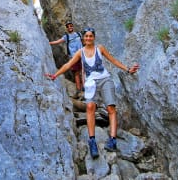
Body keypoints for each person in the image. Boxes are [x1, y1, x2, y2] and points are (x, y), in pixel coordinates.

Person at [46, 27, 139, 159]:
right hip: (90, 82)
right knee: (90, 107)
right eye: (86, 36)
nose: (88, 38)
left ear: (93, 37)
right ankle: (92, 141)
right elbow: (68, 65)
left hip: (105, 79)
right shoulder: (80, 52)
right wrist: (55, 75)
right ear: (83, 39)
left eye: (91, 36)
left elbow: (113, 60)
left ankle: (112, 139)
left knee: (111, 108)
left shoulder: (100, 48)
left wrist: (128, 69)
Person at [49, 21, 83, 98]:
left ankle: (85, 89)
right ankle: (79, 90)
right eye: (68, 26)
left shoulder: (79, 34)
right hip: (74, 57)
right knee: (77, 73)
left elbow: (84, 42)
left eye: (71, 26)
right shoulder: (66, 37)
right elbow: (57, 42)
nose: (70, 27)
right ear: (67, 28)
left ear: (73, 27)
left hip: (82, 55)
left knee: (84, 72)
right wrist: (48, 42)